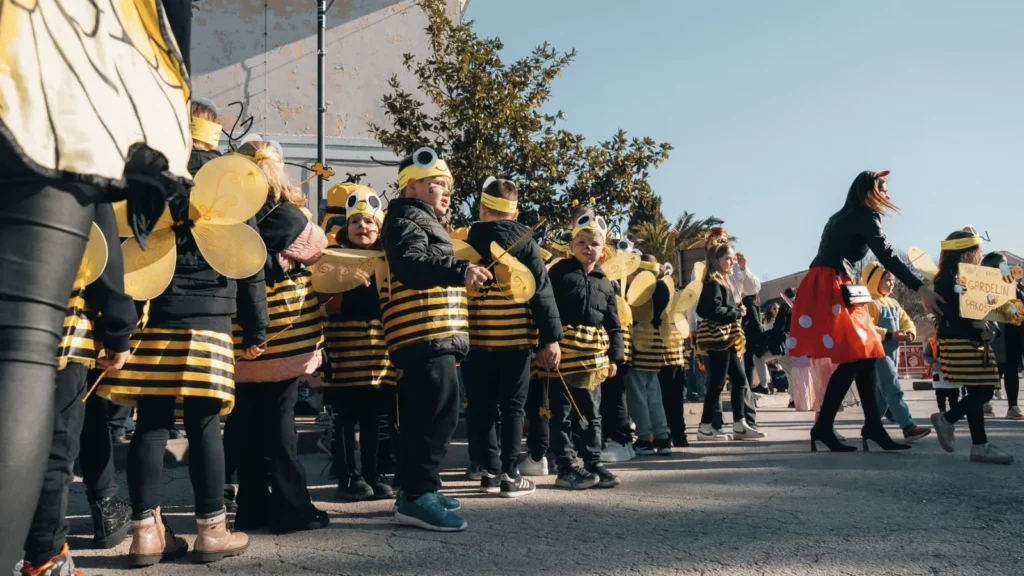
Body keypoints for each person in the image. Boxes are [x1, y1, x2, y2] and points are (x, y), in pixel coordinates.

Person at [0, 4, 192, 568]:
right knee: (23, 344)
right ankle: (41, 555)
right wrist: (118, 329)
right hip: (44, 78)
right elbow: (103, 248)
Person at [99, 138, 270, 566]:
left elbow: (129, 245)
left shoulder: (154, 175)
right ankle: (212, 531)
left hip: (156, 310)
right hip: (210, 317)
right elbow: (248, 261)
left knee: (151, 425)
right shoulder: (230, 179)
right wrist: (255, 328)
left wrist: (122, 320)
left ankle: (145, 535)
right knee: (205, 424)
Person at [20, 205, 137, 576]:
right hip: (60, 322)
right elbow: (104, 257)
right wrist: (118, 330)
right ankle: (45, 556)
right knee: (54, 447)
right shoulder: (83, 171)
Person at [789, 170, 943, 452]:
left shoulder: (839, 216)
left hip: (828, 282)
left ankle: (867, 426)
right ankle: (833, 427)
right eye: (883, 190)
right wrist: (921, 288)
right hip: (835, 284)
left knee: (867, 353)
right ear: (869, 192)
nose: (887, 196)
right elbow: (886, 254)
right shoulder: (866, 216)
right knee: (857, 355)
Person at [380, 147, 492, 531]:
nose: (446, 191)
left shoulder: (416, 218)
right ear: (412, 186)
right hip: (424, 334)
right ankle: (417, 496)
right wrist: (459, 269)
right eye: (437, 184)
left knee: (425, 416)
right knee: (436, 415)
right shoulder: (407, 219)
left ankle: (413, 489)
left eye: (447, 185)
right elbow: (410, 265)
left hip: (433, 335)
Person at [231, 140, 330, 533]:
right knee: (281, 424)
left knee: (249, 424)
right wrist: (286, 259)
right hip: (284, 333)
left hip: (242, 334)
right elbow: (318, 245)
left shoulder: (230, 212)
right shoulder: (286, 212)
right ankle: (293, 508)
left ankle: (252, 507)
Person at [463, 177, 562, 497]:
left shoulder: (465, 241)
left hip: (475, 339)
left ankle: (489, 472)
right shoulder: (526, 243)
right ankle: (509, 474)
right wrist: (551, 339)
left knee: (481, 406)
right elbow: (542, 296)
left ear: (482, 208)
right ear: (515, 214)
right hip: (516, 340)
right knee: (513, 408)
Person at [320, 183, 398, 502]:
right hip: (343, 352)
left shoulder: (387, 259)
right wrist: (342, 280)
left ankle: (374, 473)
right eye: (355, 221)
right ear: (346, 226)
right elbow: (318, 297)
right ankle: (348, 476)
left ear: (378, 227)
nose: (362, 226)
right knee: (343, 418)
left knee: (375, 417)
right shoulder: (333, 256)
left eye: (368, 222)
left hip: (379, 352)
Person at [538, 208, 624, 490]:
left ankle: (593, 460)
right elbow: (545, 310)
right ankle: (565, 464)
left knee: (592, 411)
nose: (589, 248)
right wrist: (545, 343)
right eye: (582, 242)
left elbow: (613, 322)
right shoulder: (558, 273)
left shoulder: (604, 282)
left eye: (595, 243)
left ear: (604, 250)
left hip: (593, 358)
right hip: (562, 355)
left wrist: (615, 356)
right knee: (560, 412)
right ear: (571, 245)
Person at [929, 234, 1013, 464]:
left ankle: (977, 443)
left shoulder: (974, 278)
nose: (981, 257)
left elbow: (987, 308)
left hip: (976, 341)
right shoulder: (946, 278)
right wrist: (970, 322)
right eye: (979, 252)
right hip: (957, 340)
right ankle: (956, 426)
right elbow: (945, 309)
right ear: (967, 254)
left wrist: (991, 329)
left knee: (982, 390)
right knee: (979, 390)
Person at [695, 230, 764, 441]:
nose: (731, 262)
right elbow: (706, 309)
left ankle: (739, 424)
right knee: (717, 382)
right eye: (727, 258)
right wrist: (736, 312)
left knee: (739, 379)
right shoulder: (713, 283)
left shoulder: (723, 281)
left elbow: (753, 287)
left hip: (728, 339)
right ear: (716, 259)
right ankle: (706, 426)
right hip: (719, 339)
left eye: (732, 258)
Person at [861, 262, 932, 442]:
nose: (891, 284)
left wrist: (910, 333)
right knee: (892, 388)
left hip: (894, 352)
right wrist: (890, 334)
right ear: (874, 280)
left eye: (892, 281)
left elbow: (906, 321)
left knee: (882, 396)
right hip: (878, 352)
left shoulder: (893, 302)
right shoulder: (869, 304)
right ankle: (908, 427)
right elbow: (867, 328)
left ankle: (871, 427)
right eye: (887, 280)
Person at [627, 257, 686, 455]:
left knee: (638, 397)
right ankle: (662, 437)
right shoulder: (663, 289)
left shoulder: (640, 292)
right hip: (656, 348)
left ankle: (644, 438)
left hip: (639, 346)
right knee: (654, 396)